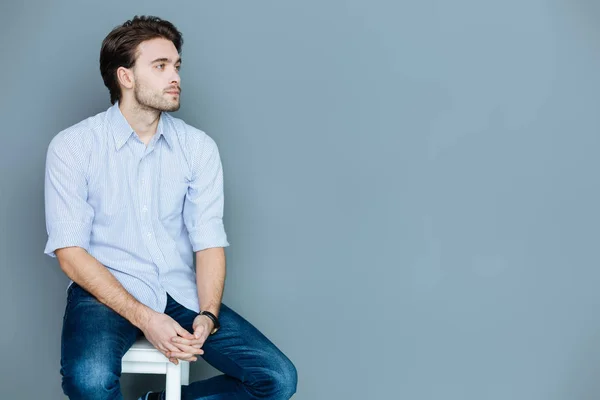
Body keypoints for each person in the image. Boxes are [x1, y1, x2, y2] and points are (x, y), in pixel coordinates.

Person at [44, 15, 297, 400]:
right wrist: (147, 318)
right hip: (102, 293)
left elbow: (208, 240)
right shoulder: (73, 147)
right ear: (125, 77)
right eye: (160, 66)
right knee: (89, 382)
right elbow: (70, 254)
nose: (174, 76)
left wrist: (208, 314)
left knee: (277, 379)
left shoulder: (198, 148)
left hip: (179, 293)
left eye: (176, 66)